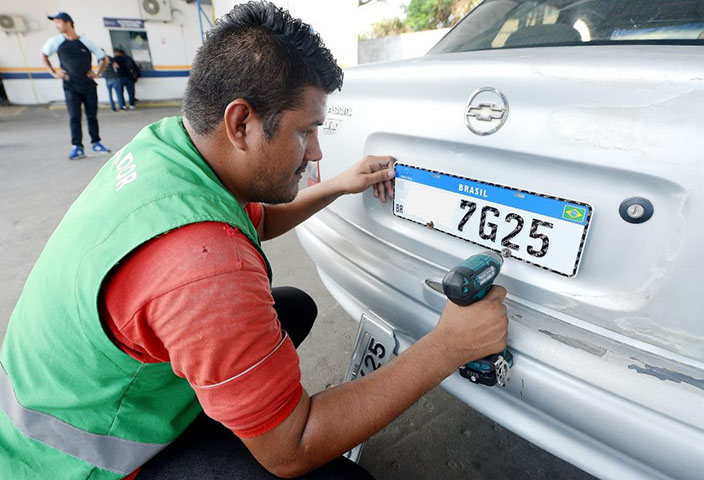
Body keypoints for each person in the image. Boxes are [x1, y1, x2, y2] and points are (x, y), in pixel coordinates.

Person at [0, 2, 509, 479]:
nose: (315, 152)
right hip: (85, 462)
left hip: (69, 390)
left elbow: (256, 219)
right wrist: (449, 346)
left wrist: (338, 184)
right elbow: (295, 447)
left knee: (292, 308)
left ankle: (226, 406)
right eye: (306, 131)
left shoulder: (169, 147)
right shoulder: (203, 268)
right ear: (241, 123)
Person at [41, 12, 111, 160]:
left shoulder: (86, 42)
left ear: (68, 23)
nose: (57, 26)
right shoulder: (56, 42)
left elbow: (103, 58)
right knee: (74, 116)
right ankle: (77, 147)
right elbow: (44, 55)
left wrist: (97, 73)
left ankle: (96, 143)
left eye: (58, 22)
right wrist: (54, 73)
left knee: (92, 115)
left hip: (88, 85)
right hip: (70, 85)